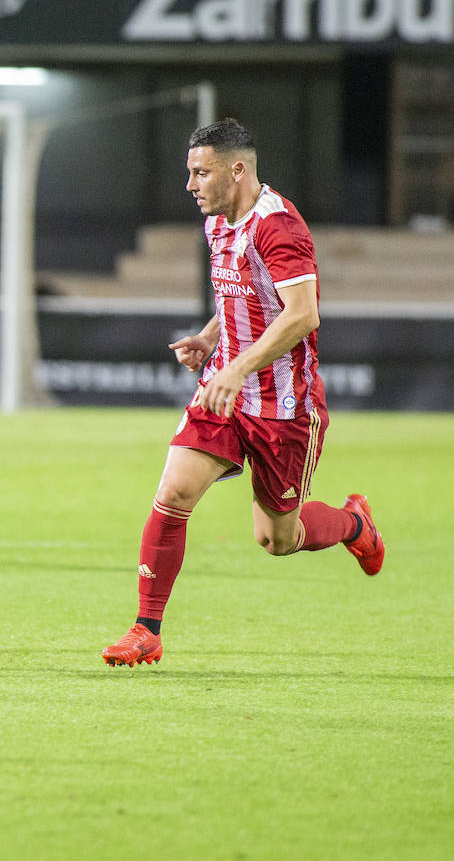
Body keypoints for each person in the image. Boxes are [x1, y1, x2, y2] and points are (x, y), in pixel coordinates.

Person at [100, 118, 385, 667]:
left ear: (238, 170)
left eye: (200, 172)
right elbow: (243, 294)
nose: (191, 184)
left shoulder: (279, 228)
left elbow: (303, 315)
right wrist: (212, 341)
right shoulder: (217, 220)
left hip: (284, 405)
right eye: (190, 172)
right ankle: (146, 629)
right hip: (224, 393)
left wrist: (241, 368)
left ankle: (354, 523)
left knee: (278, 538)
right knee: (175, 491)